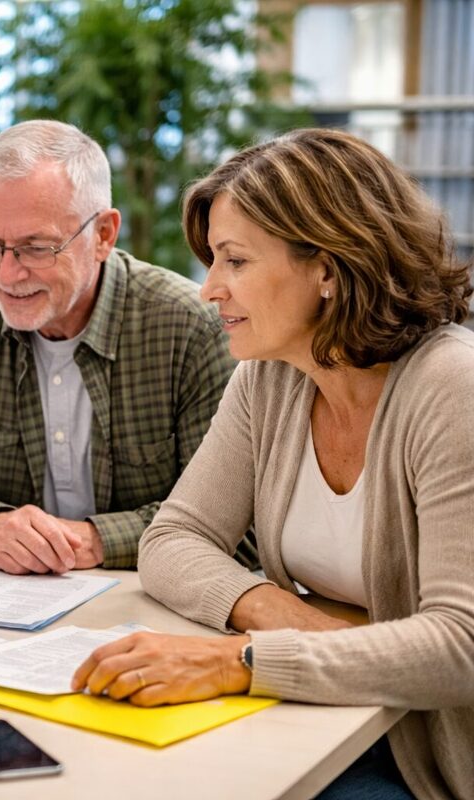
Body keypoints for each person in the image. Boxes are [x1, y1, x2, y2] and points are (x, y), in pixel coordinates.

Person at [73, 129, 474, 798]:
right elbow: (172, 541)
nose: (209, 290)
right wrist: (285, 618)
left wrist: (241, 659)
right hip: (328, 712)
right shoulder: (273, 378)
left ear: (327, 267)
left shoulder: (452, 388)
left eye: (234, 261)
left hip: (431, 756)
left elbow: (460, 648)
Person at [0, 119, 250, 574]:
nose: (7, 274)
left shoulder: (188, 328)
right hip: (2, 607)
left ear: (102, 235)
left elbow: (239, 521)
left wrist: (95, 541)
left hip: (149, 603)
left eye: (36, 247)